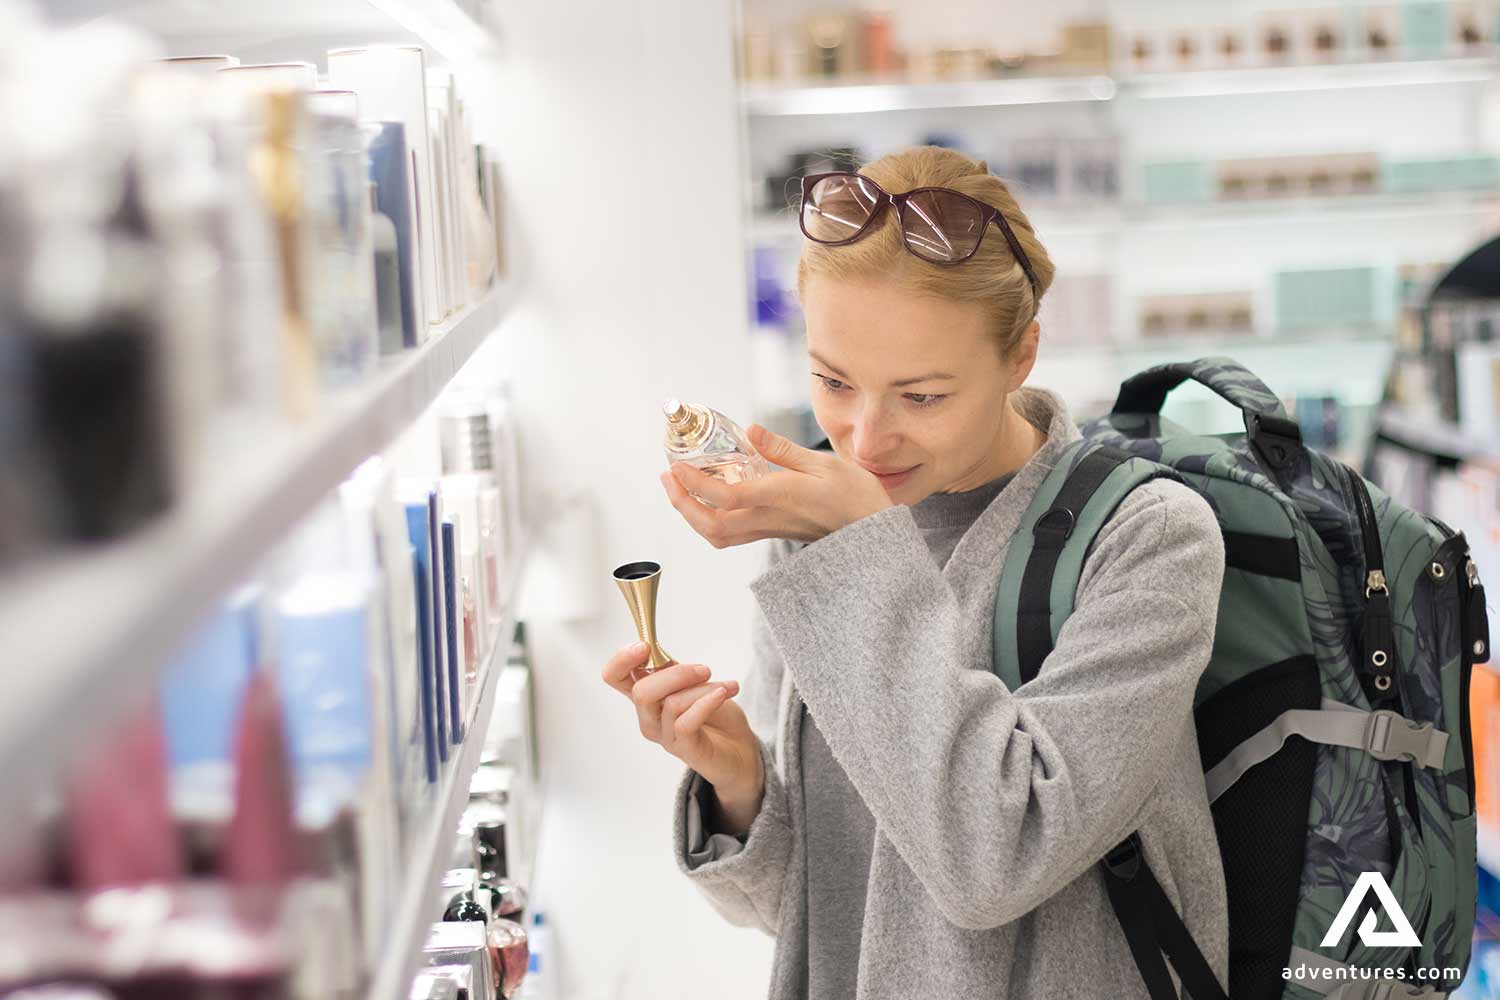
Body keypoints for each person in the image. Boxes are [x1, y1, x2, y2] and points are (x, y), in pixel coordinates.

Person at [599, 145, 1229, 999]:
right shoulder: (815, 534)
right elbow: (822, 912)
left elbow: (994, 864)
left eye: (921, 396)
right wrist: (740, 781)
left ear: (1021, 355)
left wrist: (859, 540)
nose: (865, 440)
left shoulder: (1146, 539)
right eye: (833, 382)